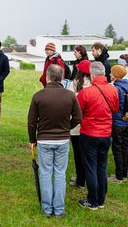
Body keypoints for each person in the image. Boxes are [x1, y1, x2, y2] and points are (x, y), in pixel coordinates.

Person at [27, 64, 82, 218]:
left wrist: (33, 139)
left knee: (45, 173)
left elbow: (31, 121)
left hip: (44, 140)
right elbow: (78, 117)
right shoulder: (70, 95)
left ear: (48, 77)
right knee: (59, 174)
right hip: (63, 139)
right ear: (62, 78)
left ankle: (47, 209)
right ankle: (58, 209)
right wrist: (67, 128)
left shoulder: (38, 95)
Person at [77, 61, 119, 210]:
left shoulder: (86, 92)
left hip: (89, 133)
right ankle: (101, 200)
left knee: (90, 168)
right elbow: (115, 109)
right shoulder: (113, 90)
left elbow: (78, 113)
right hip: (106, 134)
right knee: (102, 168)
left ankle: (92, 200)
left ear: (92, 74)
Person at [109, 65, 128, 183]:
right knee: (124, 148)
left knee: (117, 149)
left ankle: (118, 176)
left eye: (111, 73)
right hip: (126, 121)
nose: (109, 74)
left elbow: (113, 106)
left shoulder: (116, 89)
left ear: (116, 75)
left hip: (117, 122)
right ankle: (124, 174)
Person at [69, 59, 91, 190]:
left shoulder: (75, 84)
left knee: (78, 154)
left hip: (76, 125)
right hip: (89, 125)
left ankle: (80, 180)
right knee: (88, 154)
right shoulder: (94, 84)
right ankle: (87, 178)